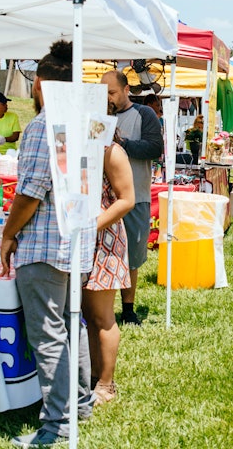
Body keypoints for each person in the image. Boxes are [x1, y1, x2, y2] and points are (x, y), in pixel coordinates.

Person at [0, 40, 97, 447]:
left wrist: (8, 235)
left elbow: (31, 192)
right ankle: (80, 404)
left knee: (49, 333)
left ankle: (56, 425)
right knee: (72, 325)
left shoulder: (43, 126)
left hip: (45, 242)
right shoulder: (83, 119)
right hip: (76, 241)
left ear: (39, 83)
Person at [101, 71, 163, 327]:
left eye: (112, 93)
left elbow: (154, 148)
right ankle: (102, 307)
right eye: (104, 93)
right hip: (103, 200)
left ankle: (128, 308)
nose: (108, 98)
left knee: (133, 256)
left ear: (127, 90)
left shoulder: (144, 114)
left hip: (135, 196)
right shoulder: (99, 115)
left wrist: (122, 144)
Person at [84, 141, 134, 405]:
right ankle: (93, 376)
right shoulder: (75, 142)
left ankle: (106, 384)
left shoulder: (111, 150)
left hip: (104, 239)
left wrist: (90, 227)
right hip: (81, 238)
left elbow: (127, 200)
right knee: (86, 314)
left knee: (101, 315)